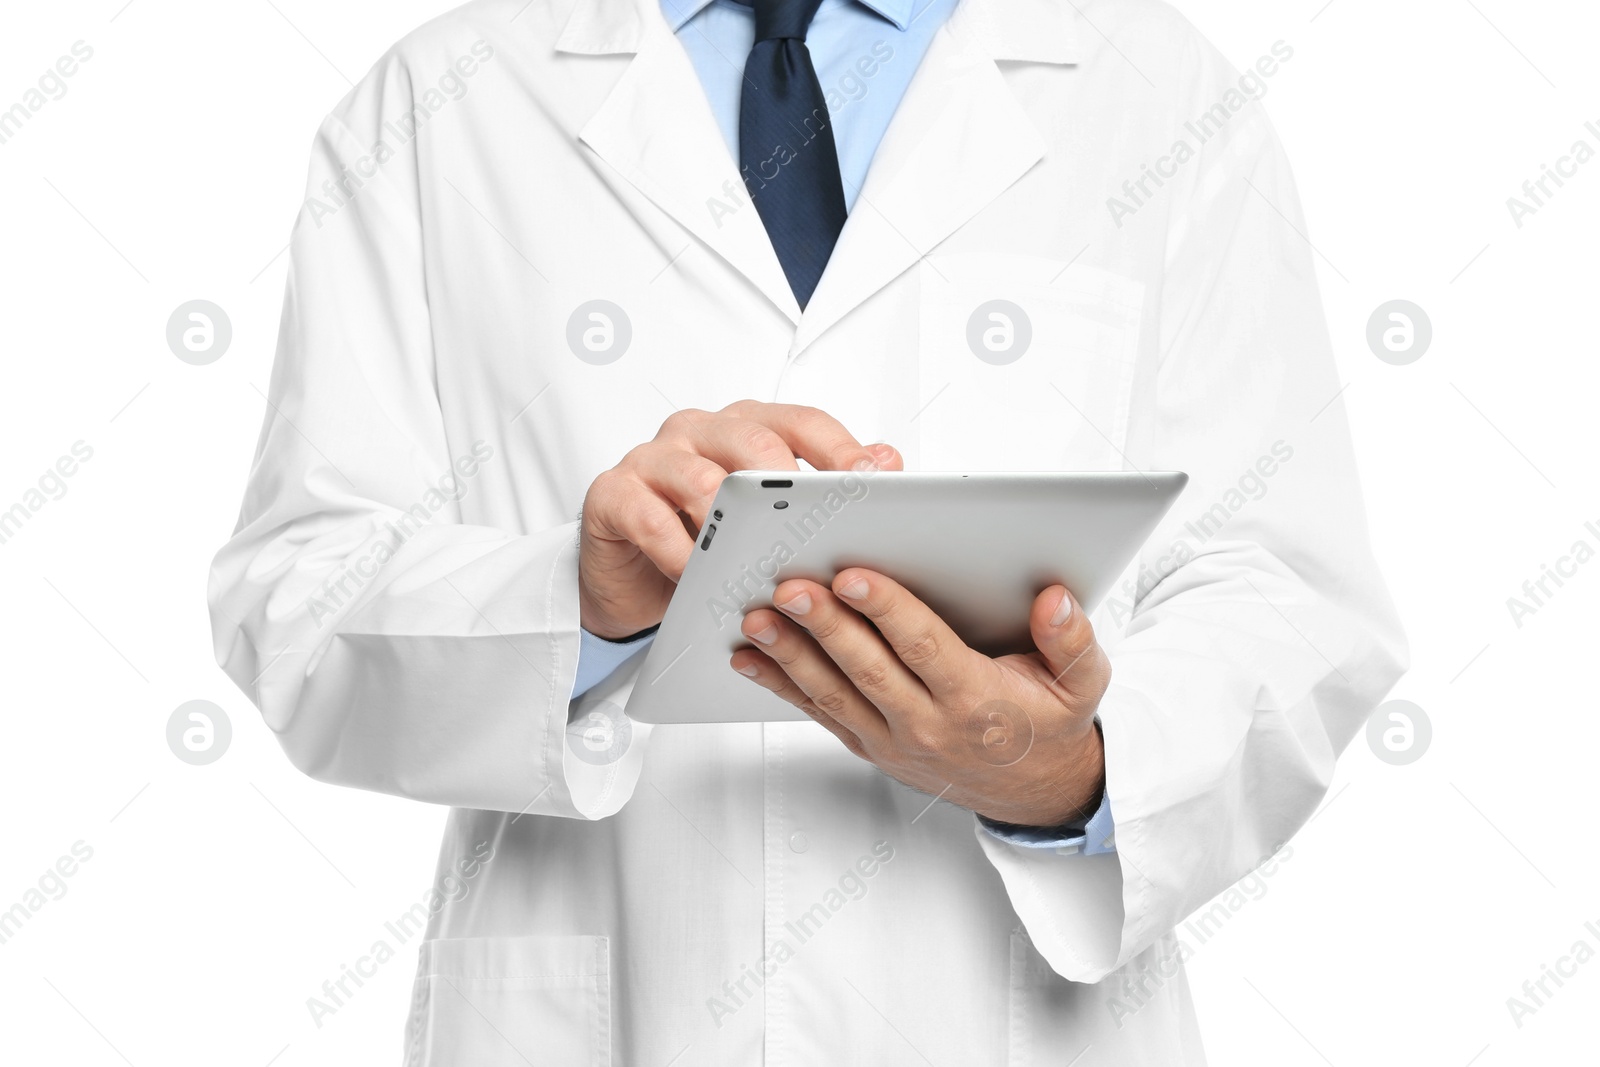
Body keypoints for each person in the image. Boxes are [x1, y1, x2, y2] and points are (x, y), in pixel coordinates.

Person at [208, 0, 1405, 1061]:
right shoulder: (438, 100)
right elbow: (297, 593)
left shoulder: (1156, 93)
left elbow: (1291, 592)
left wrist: (1071, 777)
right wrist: (571, 599)